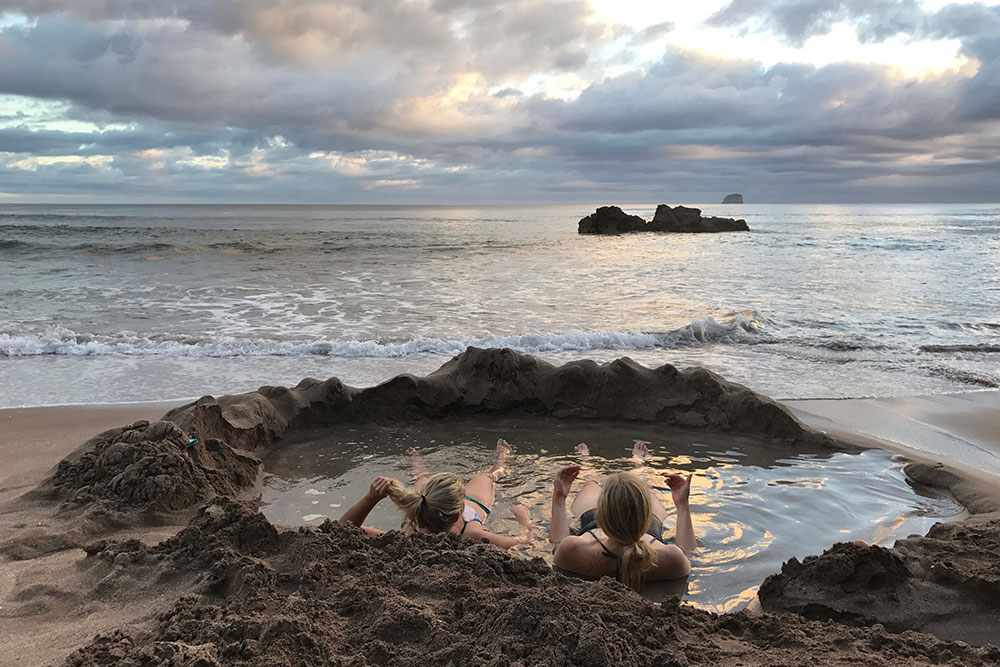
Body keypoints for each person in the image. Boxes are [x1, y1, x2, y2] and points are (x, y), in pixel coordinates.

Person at [340, 439, 536, 549]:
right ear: (458, 515)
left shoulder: (408, 534)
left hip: (432, 502)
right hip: (472, 506)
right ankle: (502, 459)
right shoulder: (472, 534)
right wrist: (523, 518)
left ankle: (417, 463)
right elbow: (525, 542)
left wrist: (370, 499)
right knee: (489, 475)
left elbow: (340, 529)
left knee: (420, 480)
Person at [548, 459, 696, 590]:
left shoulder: (572, 549)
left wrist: (559, 497)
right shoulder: (672, 558)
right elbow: (687, 553)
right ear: (646, 516)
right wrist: (682, 504)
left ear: (600, 514)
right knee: (641, 489)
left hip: (592, 526)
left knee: (590, 484)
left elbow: (558, 546)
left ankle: (586, 463)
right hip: (651, 530)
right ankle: (639, 464)